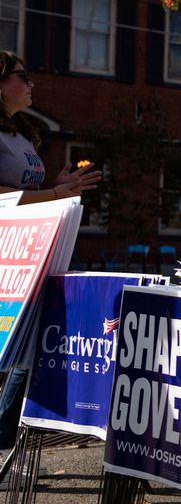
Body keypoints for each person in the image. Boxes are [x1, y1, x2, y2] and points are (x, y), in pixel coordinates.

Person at [0, 52, 99, 456]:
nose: (32, 84)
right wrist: (54, 194)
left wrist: (58, 186)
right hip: (7, 255)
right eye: (24, 76)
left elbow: (29, 193)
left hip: (31, 253)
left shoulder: (22, 134)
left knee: (30, 341)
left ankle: (4, 433)